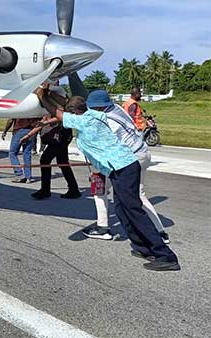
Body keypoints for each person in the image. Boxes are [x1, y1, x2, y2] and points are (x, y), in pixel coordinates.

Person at [43, 94, 180, 271]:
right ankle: (143, 247)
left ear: (77, 112)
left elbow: (59, 113)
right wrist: (47, 93)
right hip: (119, 168)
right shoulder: (93, 114)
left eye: (71, 113)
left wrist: (41, 95)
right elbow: (63, 107)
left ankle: (166, 255)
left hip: (124, 168)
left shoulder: (86, 121)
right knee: (121, 210)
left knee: (134, 210)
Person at [83, 90, 170, 243]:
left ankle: (102, 228)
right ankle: (159, 232)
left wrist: (97, 170)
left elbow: (105, 149)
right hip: (142, 152)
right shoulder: (117, 108)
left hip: (129, 159)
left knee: (99, 188)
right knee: (139, 194)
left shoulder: (106, 122)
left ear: (97, 108)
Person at [20, 85, 80, 200]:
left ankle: (45, 190)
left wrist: (44, 93)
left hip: (61, 136)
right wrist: (28, 135)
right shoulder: (48, 101)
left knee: (45, 160)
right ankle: (73, 189)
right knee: (63, 162)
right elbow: (43, 121)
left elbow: (61, 115)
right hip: (60, 136)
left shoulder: (57, 94)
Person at [2, 118, 40, 183]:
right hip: (31, 131)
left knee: (12, 153)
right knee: (27, 154)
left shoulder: (19, 108)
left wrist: (5, 131)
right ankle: (28, 177)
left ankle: (19, 174)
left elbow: (10, 120)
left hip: (20, 130)